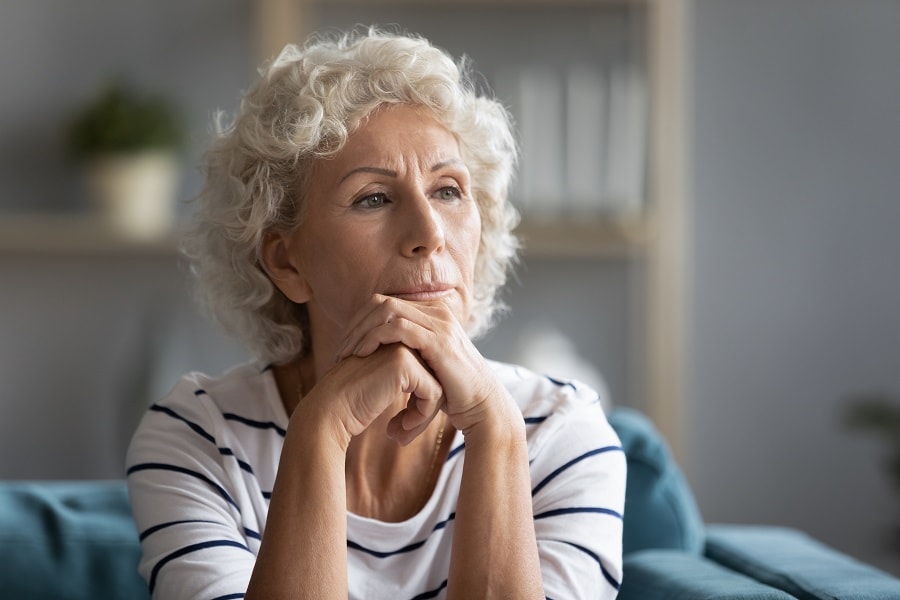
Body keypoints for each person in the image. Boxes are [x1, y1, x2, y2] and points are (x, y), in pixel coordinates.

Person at [126, 28, 625, 600]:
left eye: (448, 191)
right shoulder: (196, 438)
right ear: (287, 262)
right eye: (374, 199)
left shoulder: (561, 432)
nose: (429, 234)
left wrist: (495, 431)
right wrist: (320, 430)